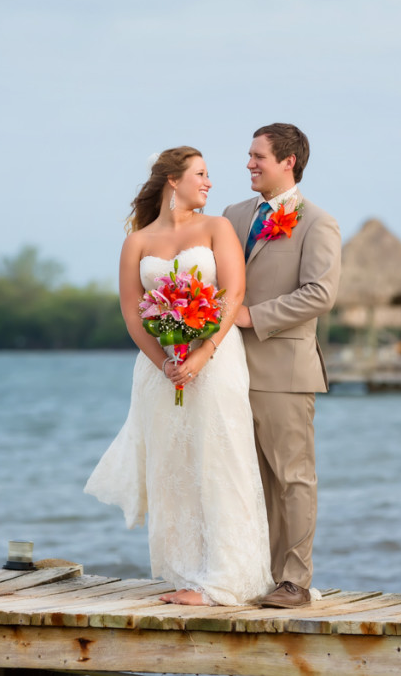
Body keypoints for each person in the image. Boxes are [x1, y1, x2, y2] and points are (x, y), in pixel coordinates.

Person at [84, 147, 273, 606]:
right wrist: (163, 362)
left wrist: (202, 353)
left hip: (216, 358)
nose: (209, 183)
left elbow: (233, 292)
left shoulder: (217, 228)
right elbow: (132, 311)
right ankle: (186, 576)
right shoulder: (137, 242)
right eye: (201, 174)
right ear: (173, 179)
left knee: (220, 457)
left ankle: (230, 576)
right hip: (160, 368)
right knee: (173, 465)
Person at [223, 124, 341, 608]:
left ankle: (295, 582)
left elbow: (321, 293)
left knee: (292, 477)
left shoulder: (317, 222)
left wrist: (255, 316)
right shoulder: (231, 215)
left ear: (288, 161)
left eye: (258, 156)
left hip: (285, 371)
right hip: (227, 369)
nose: (249, 164)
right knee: (245, 478)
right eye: (249, 156)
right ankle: (256, 574)